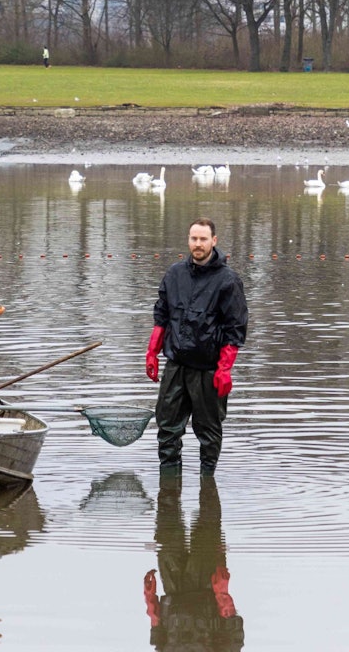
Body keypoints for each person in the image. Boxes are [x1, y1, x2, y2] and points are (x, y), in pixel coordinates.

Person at [146, 218, 248, 475]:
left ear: (214, 241)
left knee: (209, 431)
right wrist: (152, 352)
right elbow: (162, 315)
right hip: (176, 365)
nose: (198, 244)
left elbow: (235, 329)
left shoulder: (228, 281)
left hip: (209, 370)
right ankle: (169, 488)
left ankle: (207, 481)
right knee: (167, 428)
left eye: (203, 239)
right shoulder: (174, 274)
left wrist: (225, 369)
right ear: (188, 240)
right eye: (194, 239)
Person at [143, 472, 244, 651]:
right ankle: (200, 473)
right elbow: (234, 638)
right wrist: (224, 599)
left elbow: (159, 644)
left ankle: (201, 470)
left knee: (167, 521)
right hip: (206, 587)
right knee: (208, 524)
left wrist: (153, 610)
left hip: (173, 589)